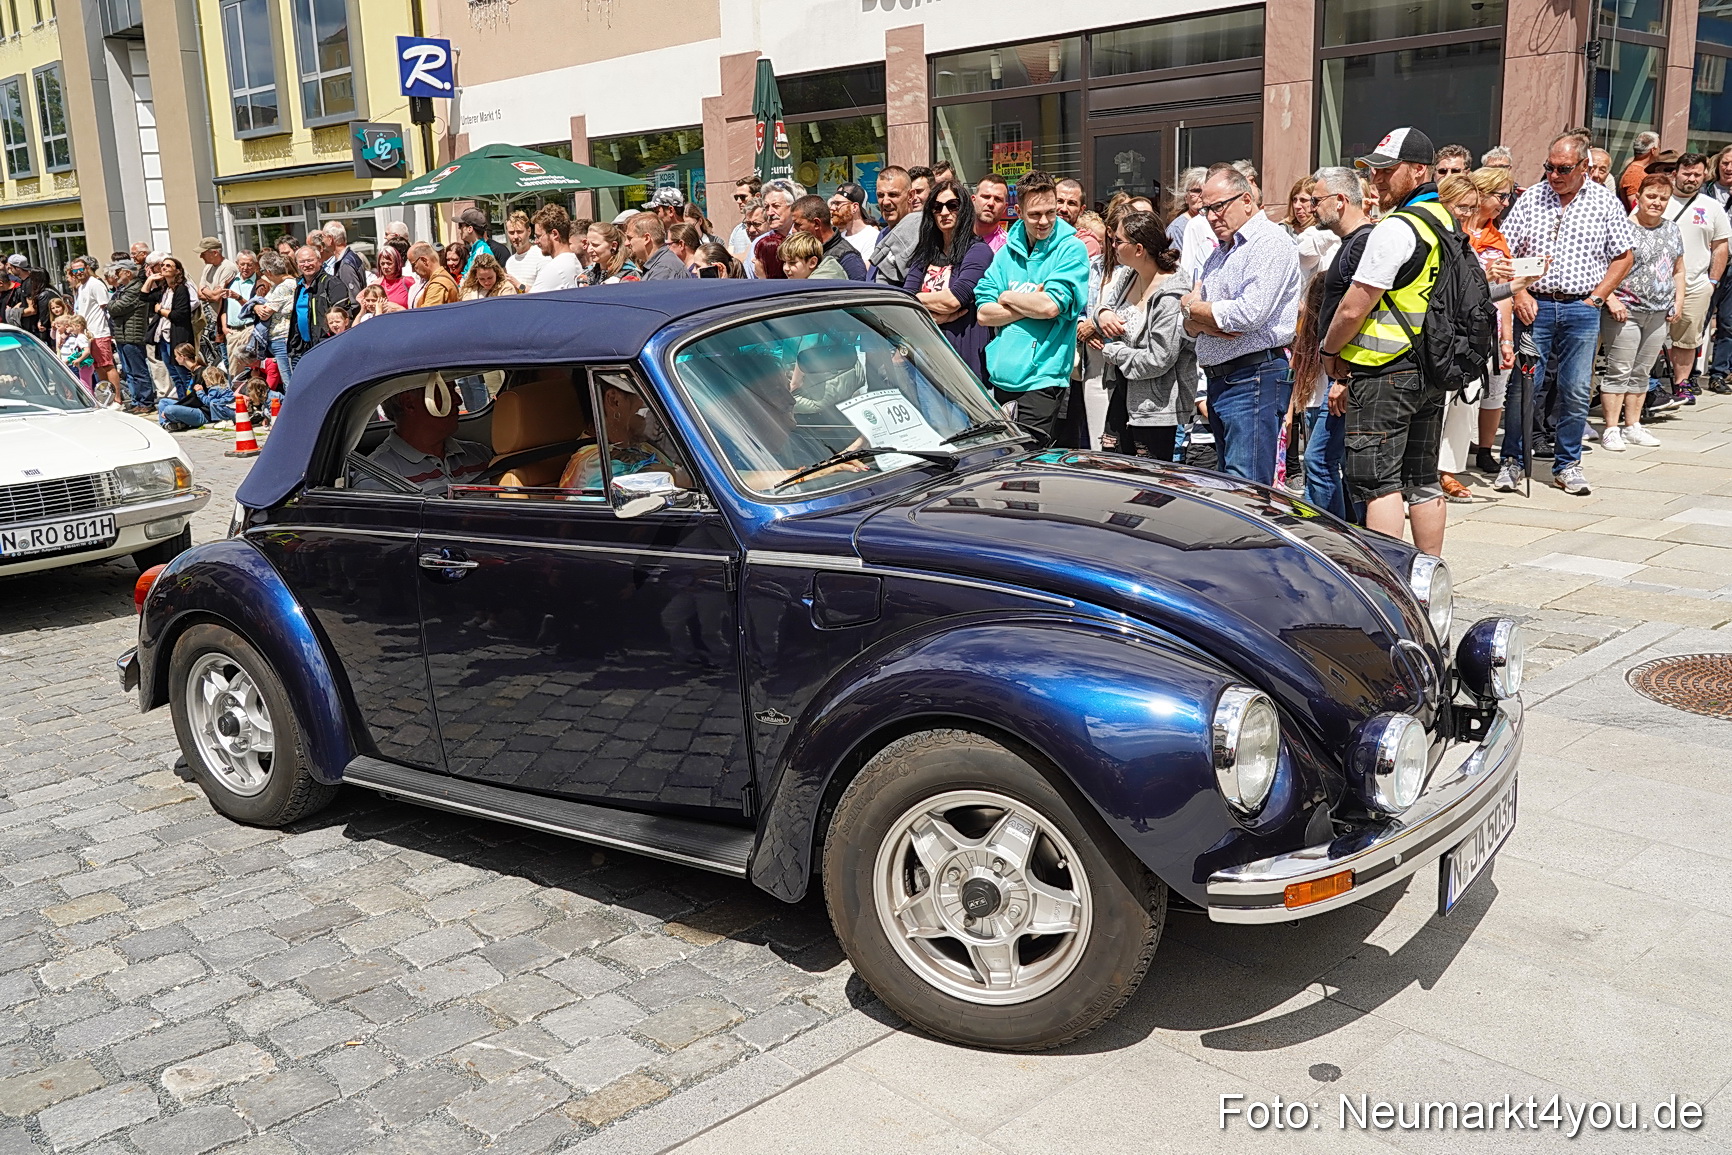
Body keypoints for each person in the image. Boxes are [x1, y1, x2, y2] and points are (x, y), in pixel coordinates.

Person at [1319, 127, 1453, 551]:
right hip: (1429, 366)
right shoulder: (1444, 218)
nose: (1375, 180)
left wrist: (1329, 350)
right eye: (1373, 171)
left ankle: (1389, 585)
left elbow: (1355, 305)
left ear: (1416, 171)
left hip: (1384, 371)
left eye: (1386, 170)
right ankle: (1430, 578)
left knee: (1377, 483)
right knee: (1424, 479)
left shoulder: (1397, 228)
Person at [1497, 132, 1635, 495]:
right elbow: (1505, 249)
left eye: (1563, 169)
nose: (1554, 175)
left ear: (1585, 167)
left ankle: (1568, 464)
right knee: (1525, 387)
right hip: (1536, 305)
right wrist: (1521, 291)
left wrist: (1599, 297)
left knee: (1574, 389)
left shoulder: (1604, 202)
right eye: (1549, 167)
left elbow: (1624, 254)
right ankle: (1512, 461)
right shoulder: (1531, 199)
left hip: (1581, 307)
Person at [1183, 163, 1301, 485]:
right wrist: (1201, 315)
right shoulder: (1220, 253)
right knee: (1231, 485)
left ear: (1247, 200)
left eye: (1219, 207)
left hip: (1253, 378)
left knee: (1245, 487)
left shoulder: (1269, 242)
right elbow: (1189, 322)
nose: (1210, 217)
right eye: (1206, 209)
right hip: (1224, 379)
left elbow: (1248, 315)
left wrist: (1197, 310)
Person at [975, 170, 1092, 446]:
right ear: (1018, 211)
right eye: (1035, 214)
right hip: (1002, 377)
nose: (1044, 221)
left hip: (1043, 378)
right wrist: (1025, 301)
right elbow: (982, 313)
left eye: (1050, 212)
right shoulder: (1006, 252)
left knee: (1028, 465)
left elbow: (1051, 306)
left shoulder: (1071, 249)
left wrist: (1006, 296)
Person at [1302, 166, 1376, 519]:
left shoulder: (1363, 244)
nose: (1312, 207)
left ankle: (1331, 542)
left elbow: (1358, 315)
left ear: (1341, 201)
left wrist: (1343, 378)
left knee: (1320, 461)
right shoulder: (1353, 244)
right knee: (1333, 462)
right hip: (1343, 372)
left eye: (1317, 200)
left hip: (1350, 372)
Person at [1094, 210, 1193, 461]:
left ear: (1139, 249)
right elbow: (1103, 307)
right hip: (1121, 393)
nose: (1113, 245)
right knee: (1112, 468)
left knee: (1148, 487)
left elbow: (1160, 358)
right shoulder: (1129, 275)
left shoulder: (1172, 294)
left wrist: (1114, 352)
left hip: (1154, 407)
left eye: (1118, 241)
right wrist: (1103, 313)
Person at [1600, 174, 1683, 450]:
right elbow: (1601, 267)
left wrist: (1678, 300)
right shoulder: (1623, 227)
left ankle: (1632, 425)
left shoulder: (1672, 230)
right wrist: (1610, 299)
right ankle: (1611, 427)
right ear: (1639, 197)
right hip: (1626, 311)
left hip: (1659, 312)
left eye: (1663, 198)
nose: (1657, 203)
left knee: (1642, 370)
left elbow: (1678, 269)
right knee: (1619, 369)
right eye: (1652, 196)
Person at [903, 178, 994, 380]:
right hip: (926, 362)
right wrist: (938, 317)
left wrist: (917, 301)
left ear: (964, 210)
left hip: (963, 364)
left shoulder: (978, 251)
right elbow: (904, 300)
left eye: (952, 205)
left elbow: (956, 298)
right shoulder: (924, 254)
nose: (944, 212)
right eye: (937, 207)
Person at [1660, 153, 1730, 400]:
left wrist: (1712, 281)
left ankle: (1681, 384)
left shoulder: (1712, 207)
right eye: (1686, 173)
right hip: (1658, 284)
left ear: (1704, 176)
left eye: (1697, 175)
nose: (1691, 179)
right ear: (1675, 173)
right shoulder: (1660, 199)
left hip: (1696, 283)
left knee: (1687, 339)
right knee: (1653, 337)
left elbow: (1721, 245)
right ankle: (1650, 385)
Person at [1464, 165, 1519, 474]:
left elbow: (1506, 293)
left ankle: (1485, 449)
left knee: (1495, 389)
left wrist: (1508, 338)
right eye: (1501, 196)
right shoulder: (1458, 233)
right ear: (1481, 194)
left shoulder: (1498, 239)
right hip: (1464, 329)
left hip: (1494, 327)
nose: (1505, 203)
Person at [364, 376, 492, 494]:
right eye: (445, 392)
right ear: (409, 404)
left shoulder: (480, 454)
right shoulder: (378, 475)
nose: (458, 400)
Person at [557, 376, 674, 490]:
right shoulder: (597, 465)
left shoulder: (640, 444)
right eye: (646, 399)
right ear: (614, 401)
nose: (653, 408)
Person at [67, 257, 119, 404]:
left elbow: (106, 307)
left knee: (107, 365)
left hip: (99, 332)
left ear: (87, 268)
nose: (78, 273)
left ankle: (117, 399)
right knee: (98, 367)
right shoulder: (81, 287)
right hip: (87, 334)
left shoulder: (95, 284)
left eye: (80, 269)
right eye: (74, 270)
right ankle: (108, 398)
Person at [106, 261, 155, 412]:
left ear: (128, 273)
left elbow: (116, 307)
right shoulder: (124, 289)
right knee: (129, 371)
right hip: (123, 334)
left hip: (133, 334)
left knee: (138, 370)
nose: (117, 275)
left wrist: (112, 304)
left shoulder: (135, 288)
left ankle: (146, 402)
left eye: (119, 271)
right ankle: (137, 401)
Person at [145, 257, 195, 403]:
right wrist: (150, 280)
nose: (164, 268)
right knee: (174, 375)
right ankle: (182, 402)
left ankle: (190, 402)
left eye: (168, 266)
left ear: (177, 270)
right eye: (162, 266)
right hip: (164, 337)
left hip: (177, 337)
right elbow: (143, 297)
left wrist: (161, 310)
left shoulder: (181, 289)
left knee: (183, 374)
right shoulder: (164, 289)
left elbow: (180, 314)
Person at [790, 195, 869, 280]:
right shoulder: (806, 250)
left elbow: (860, 290)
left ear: (816, 223)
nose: (793, 230)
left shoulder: (848, 259)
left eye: (798, 224)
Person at [870, 167, 923, 287]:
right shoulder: (883, 235)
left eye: (893, 195)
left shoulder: (920, 232)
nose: (885, 202)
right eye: (880, 195)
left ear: (911, 196)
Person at [529, 204, 583, 292]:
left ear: (555, 234)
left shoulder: (555, 269)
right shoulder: (572, 262)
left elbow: (529, 302)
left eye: (539, 236)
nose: (536, 241)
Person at [753, 183, 800, 279]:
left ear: (792, 207)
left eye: (776, 206)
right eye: (766, 207)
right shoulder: (759, 243)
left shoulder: (804, 239)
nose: (770, 213)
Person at [627, 213, 688, 281]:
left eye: (630, 238)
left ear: (646, 238)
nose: (626, 243)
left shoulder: (663, 269)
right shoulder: (661, 266)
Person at [454, 208, 509, 279]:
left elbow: (484, 282)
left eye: (461, 225)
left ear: (470, 229)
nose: (459, 229)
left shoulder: (482, 252)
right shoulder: (475, 250)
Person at [502, 209, 547, 291]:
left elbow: (543, 292)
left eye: (519, 232)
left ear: (529, 231)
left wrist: (519, 285)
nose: (515, 237)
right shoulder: (510, 262)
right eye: (511, 233)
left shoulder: (541, 255)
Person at [830, 183, 877, 262]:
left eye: (838, 203)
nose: (832, 208)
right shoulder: (839, 237)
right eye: (833, 203)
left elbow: (865, 271)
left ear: (854, 207)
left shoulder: (872, 237)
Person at [320, 223, 366, 301]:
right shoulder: (350, 257)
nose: (322, 241)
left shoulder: (345, 264)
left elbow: (353, 299)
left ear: (330, 239)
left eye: (323, 237)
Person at [408, 242, 460, 308]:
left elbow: (428, 315)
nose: (413, 270)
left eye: (413, 265)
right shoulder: (439, 278)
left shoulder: (437, 285)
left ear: (424, 260)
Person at [1056, 179, 1098, 258]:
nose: (1064, 209)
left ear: (1081, 209)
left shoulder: (1086, 244)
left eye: (1071, 203)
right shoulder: (1038, 236)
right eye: (1059, 201)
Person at [727, 174, 764, 264]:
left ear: (757, 196)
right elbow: (729, 258)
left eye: (743, 197)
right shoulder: (737, 229)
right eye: (736, 197)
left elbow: (748, 257)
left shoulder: (766, 226)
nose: (738, 201)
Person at [1168, 167, 1207, 251]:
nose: (1201, 196)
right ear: (1186, 197)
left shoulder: (1215, 221)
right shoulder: (1177, 228)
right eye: (1196, 191)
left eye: (1206, 191)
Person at [1619, 131, 1661, 207]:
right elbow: (1635, 206)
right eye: (1659, 146)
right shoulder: (1634, 174)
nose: (1660, 151)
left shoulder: (1638, 170)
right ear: (1653, 150)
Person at [973, 175, 1010, 252]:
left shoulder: (1008, 247)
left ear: (1004, 208)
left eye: (998, 199)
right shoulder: (953, 236)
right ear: (973, 200)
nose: (991, 203)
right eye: (986, 196)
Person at [373, 244, 413, 311]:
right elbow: (360, 298)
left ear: (397, 263)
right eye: (382, 263)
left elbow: (417, 307)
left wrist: (399, 308)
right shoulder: (376, 284)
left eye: (389, 263)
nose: (385, 267)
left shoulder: (408, 282)